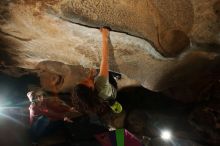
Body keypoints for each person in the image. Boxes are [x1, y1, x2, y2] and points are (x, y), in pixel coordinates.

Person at [73, 27, 122, 115]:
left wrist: (91, 74)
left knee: (98, 74)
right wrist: (104, 35)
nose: (85, 79)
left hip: (106, 95)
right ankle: (116, 75)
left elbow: (89, 82)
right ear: (91, 88)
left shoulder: (92, 98)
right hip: (111, 89)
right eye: (85, 82)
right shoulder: (101, 85)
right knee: (105, 70)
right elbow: (104, 60)